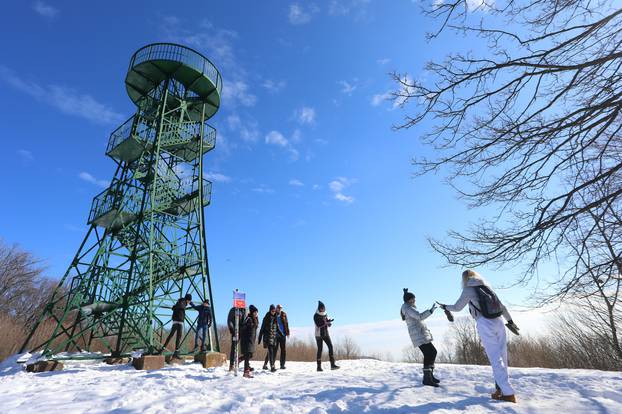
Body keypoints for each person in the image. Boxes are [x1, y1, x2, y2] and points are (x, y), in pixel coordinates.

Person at [438, 269, 520, 403]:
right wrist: (510, 321)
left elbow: (457, 307)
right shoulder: (486, 287)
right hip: (499, 321)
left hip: (485, 322)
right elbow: (502, 307)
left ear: (464, 279)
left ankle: (508, 393)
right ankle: (500, 389)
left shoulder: (468, 290)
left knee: (495, 358)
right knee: (502, 357)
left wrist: (446, 307)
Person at [400, 288, 439, 387]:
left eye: (414, 299)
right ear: (408, 300)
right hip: (418, 335)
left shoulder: (408, 307)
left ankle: (429, 376)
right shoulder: (409, 309)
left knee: (432, 352)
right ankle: (427, 379)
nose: (414, 301)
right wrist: (430, 311)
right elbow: (420, 316)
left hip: (419, 334)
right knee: (429, 353)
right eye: (412, 299)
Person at [314, 300, 339, 372]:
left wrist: (329, 323)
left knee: (330, 346)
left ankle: (332, 365)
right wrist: (325, 323)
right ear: (319, 308)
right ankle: (318, 367)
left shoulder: (325, 314)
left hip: (325, 333)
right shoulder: (315, 315)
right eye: (322, 308)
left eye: (324, 308)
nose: (323, 309)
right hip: (318, 334)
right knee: (320, 349)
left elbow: (326, 321)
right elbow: (319, 325)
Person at [240, 305, 259, 378]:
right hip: (247, 340)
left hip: (251, 340)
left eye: (257, 312)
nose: (256, 313)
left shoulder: (255, 319)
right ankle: (246, 372)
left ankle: (241, 360)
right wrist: (249, 326)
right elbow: (243, 328)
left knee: (250, 355)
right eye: (255, 312)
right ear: (252, 312)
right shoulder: (249, 319)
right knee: (247, 356)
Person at [259, 304, 279, 372]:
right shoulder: (266, 318)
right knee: (270, 351)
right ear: (270, 310)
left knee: (270, 352)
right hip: (267, 337)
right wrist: (259, 338)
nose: (273, 312)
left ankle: (265, 365)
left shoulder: (275, 317)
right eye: (272, 311)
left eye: (274, 311)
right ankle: (272, 366)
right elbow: (262, 328)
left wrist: (281, 334)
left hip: (273, 337)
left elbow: (277, 328)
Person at [227, 305, 247, 372]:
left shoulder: (245, 310)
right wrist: (232, 330)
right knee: (234, 348)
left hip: (243, 332)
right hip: (235, 332)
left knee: (246, 349)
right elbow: (229, 320)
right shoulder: (233, 310)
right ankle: (231, 365)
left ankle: (246, 364)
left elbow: (246, 320)